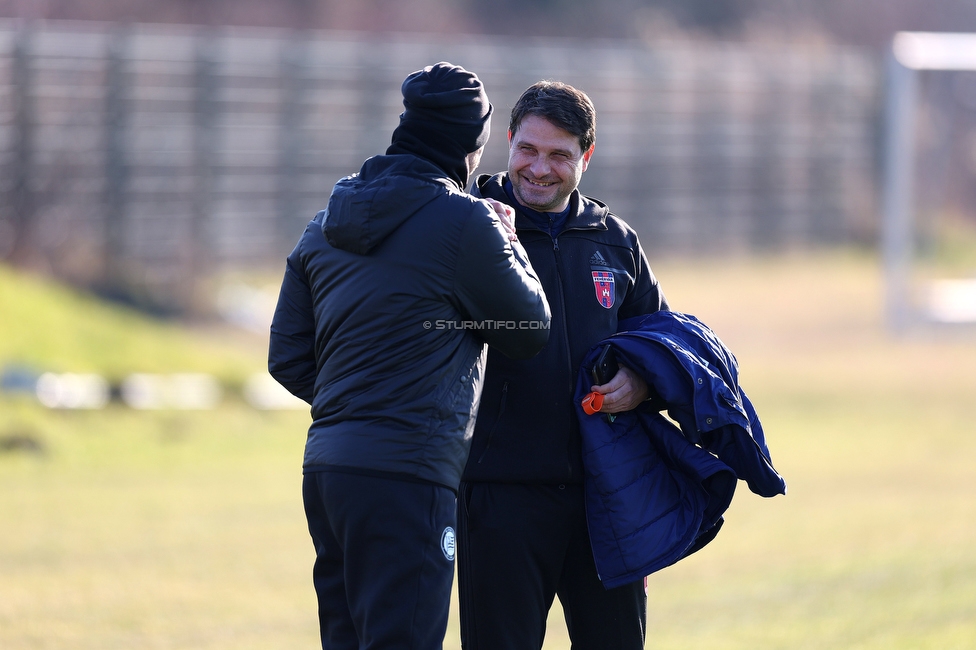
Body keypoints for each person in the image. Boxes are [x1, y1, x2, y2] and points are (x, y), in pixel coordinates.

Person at [268, 62, 550, 650]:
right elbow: (527, 327)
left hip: (328, 472)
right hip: (409, 477)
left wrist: (359, 404)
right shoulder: (467, 221)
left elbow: (287, 358)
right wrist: (509, 239)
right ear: (473, 142)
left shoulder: (325, 223)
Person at [456, 80, 669, 650]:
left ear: (586, 157)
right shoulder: (466, 224)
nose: (539, 168)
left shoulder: (617, 243)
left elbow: (660, 343)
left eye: (559, 155)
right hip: (497, 494)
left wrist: (642, 381)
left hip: (604, 498)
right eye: (528, 149)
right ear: (508, 141)